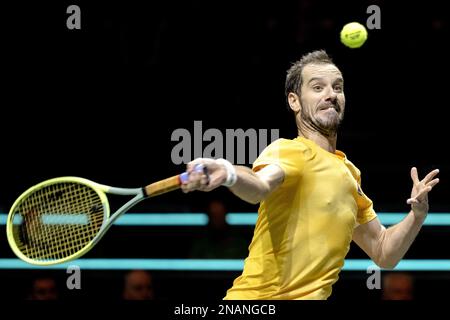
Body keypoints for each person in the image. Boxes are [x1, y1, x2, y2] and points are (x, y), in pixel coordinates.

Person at [181, 50, 440, 299]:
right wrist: (228, 172)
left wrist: (417, 216)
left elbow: (384, 253)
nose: (331, 95)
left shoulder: (349, 173)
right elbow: (259, 185)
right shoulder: (290, 150)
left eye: (337, 87)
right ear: (294, 100)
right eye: (318, 88)